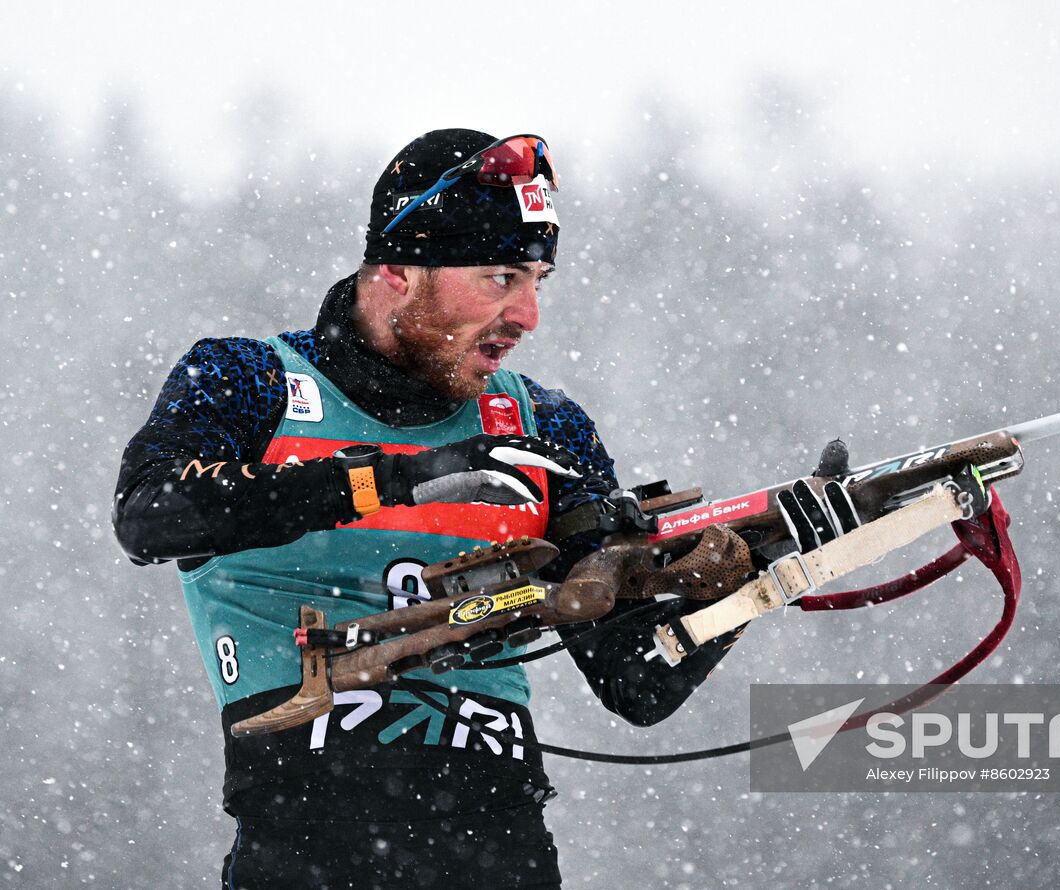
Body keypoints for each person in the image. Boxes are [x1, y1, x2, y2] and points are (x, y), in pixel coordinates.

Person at [112, 129, 742, 890]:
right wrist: (391, 481)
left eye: (538, 279)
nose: (529, 314)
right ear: (398, 273)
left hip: (498, 847)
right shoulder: (249, 380)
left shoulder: (545, 424)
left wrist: (743, 583)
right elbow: (147, 515)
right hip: (306, 845)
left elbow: (636, 681)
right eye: (501, 277)